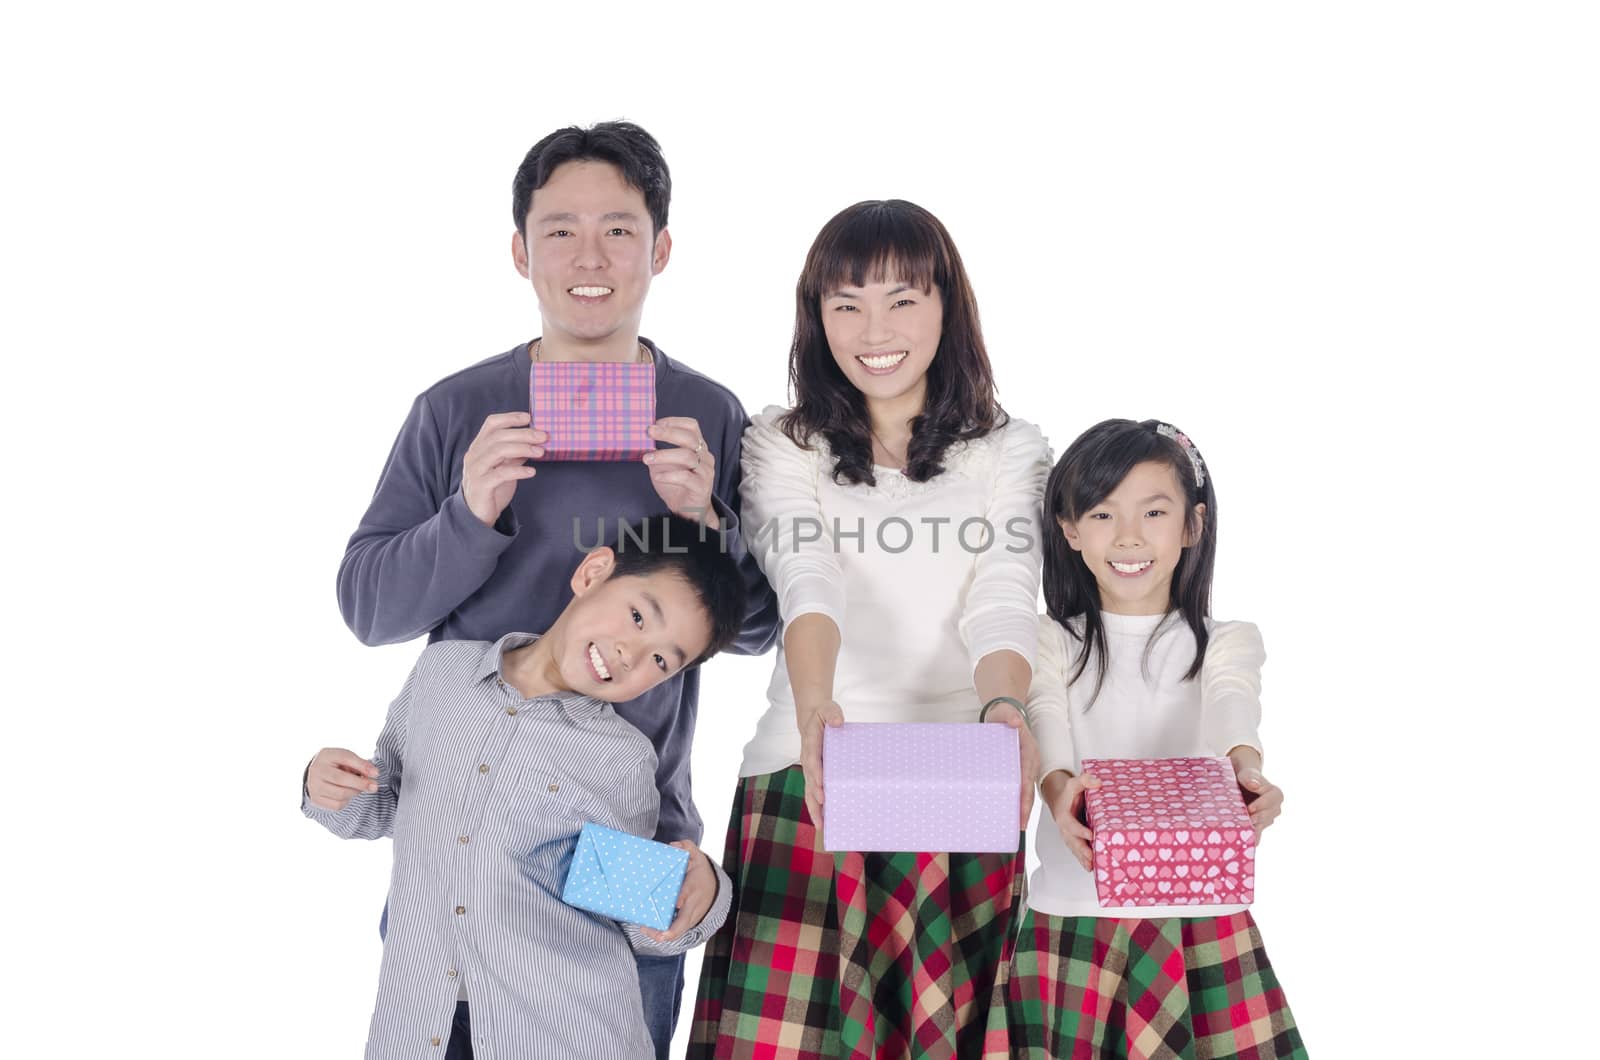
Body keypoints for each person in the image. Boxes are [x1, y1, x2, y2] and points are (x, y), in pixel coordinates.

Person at [335, 121, 779, 1055]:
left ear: (659, 249)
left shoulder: (709, 414)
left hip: (621, 837)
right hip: (463, 847)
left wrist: (711, 524)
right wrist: (468, 513)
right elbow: (368, 607)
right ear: (519, 250)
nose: (590, 257)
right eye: (560, 230)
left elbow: (757, 628)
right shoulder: (455, 409)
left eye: (619, 230)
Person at [690, 200, 1050, 1058]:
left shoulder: (1012, 449)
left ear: (946, 305)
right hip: (806, 775)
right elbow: (806, 576)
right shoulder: (783, 441)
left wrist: (1006, 711)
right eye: (845, 304)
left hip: (956, 779)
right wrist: (819, 714)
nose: (872, 329)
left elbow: (1003, 594)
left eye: (901, 299)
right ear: (816, 319)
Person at [307, 515, 742, 1058]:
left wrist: (702, 896)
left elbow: (632, 912)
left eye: (660, 659)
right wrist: (327, 787)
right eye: (636, 616)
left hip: (559, 1031)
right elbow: (394, 806)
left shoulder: (623, 760)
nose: (632, 654)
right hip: (418, 1023)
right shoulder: (442, 676)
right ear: (594, 571)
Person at [1007, 418, 1307, 1058]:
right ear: (1069, 530)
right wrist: (1059, 792)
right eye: (1102, 514)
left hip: (1199, 921)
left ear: (1192, 526)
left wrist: (1246, 772)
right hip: (1073, 918)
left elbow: (1233, 704)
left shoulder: (1227, 639)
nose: (1130, 537)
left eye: (1154, 511)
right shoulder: (1046, 640)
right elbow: (1045, 721)